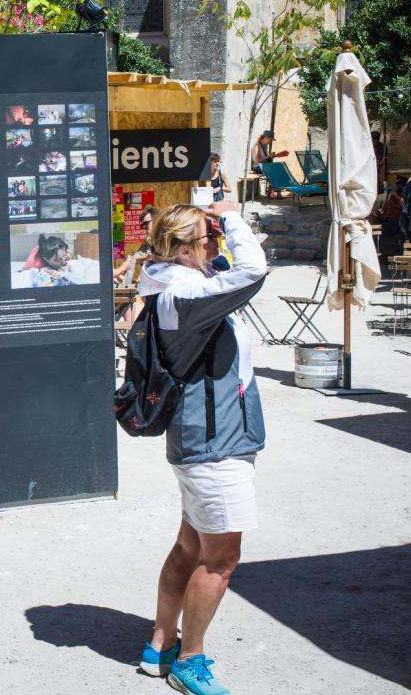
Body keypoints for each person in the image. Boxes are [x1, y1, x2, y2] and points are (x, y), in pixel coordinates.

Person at [132, 200, 268, 695]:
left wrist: (219, 235)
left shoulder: (178, 285)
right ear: (185, 249)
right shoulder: (187, 295)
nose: (217, 246)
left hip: (208, 439)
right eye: (208, 239)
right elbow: (254, 270)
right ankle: (191, 659)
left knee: (190, 548)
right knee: (221, 560)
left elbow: (234, 273)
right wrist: (232, 217)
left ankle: (160, 646)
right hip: (214, 446)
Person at [377, 177, 407, 272]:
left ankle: (389, 256)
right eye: (397, 183)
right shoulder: (392, 196)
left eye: (400, 183)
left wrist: (396, 196)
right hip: (387, 220)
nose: (398, 185)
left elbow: (403, 205)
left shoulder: (403, 195)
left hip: (397, 222)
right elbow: (385, 208)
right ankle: (385, 256)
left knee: (386, 233)